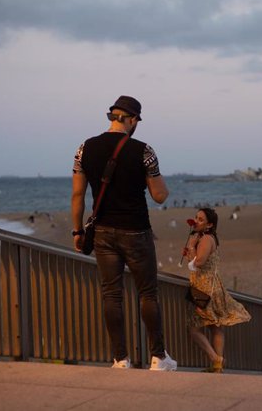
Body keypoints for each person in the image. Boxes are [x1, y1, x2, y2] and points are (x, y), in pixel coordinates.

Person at [71, 95, 177, 371]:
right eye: (136, 121)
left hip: (103, 232)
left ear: (112, 116)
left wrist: (77, 230)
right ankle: (158, 358)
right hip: (136, 231)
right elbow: (160, 196)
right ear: (131, 120)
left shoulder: (84, 149)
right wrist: (154, 179)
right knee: (148, 294)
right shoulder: (144, 151)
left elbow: (78, 195)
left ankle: (120, 359)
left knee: (111, 295)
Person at [183, 208, 251, 373]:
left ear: (209, 224)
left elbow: (198, 263)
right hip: (210, 286)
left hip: (204, 289)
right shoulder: (205, 238)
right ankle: (217, 367)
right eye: (196, 218)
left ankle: (215, 358)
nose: (196, 221)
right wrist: (190, 250)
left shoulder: (206, 239)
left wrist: (191, 247)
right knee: (215, 327)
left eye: (200, 219)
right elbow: (195, 262)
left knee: (193, 328)